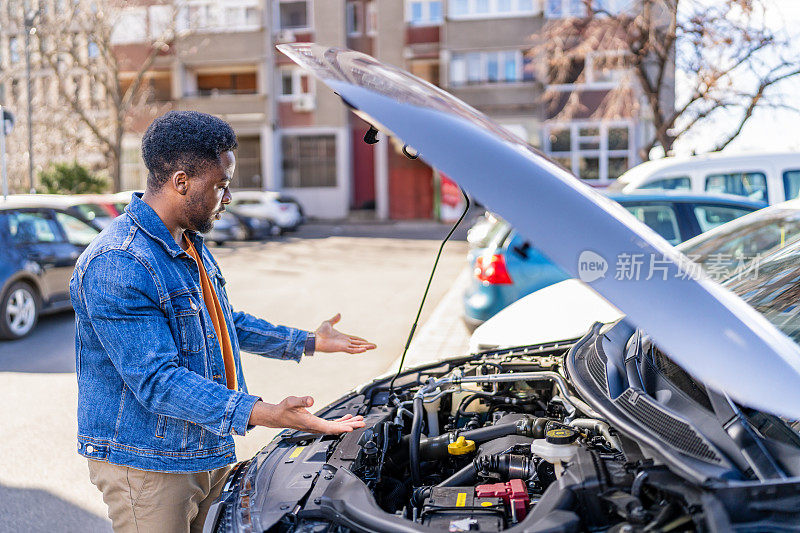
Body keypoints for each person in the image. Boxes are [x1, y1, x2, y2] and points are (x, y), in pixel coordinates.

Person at [70, 111, 377, 533]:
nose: (228, 197)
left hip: (206, 447)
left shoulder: (186, 241)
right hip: (150, 464)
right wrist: (265, 413)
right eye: (221, 184)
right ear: (181, 181)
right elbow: (157, 381)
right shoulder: (118, 262)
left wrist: (308, 341)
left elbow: (220, 321)